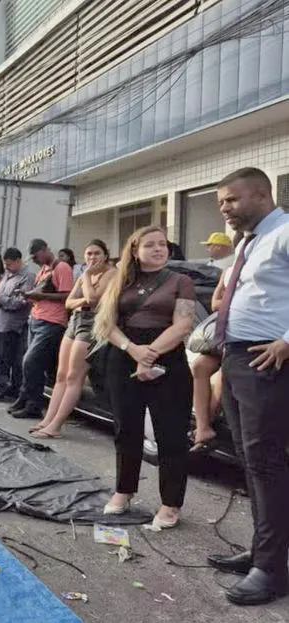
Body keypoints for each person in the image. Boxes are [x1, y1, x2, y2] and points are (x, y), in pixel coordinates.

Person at [207, 167, 289, 606]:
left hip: (267, 360)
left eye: (231, 200)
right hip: (237, 357)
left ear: (261, 194)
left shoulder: (285, 232)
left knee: (266, 462)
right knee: (249, 459)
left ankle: (272, 571)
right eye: (221, 202)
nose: (224, 208)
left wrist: (287, 341)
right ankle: (263, 551)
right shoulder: (249, 242)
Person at [93, 225, 195, 530]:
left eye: (162, 244)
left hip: (168, 358)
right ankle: (124, 491)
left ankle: (170, 503)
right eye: (150, 245)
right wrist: (132, 350)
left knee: (171, 433)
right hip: (123, 355)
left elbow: (183, 324)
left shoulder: (181, 281)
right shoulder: (120, 279)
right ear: (135, 250)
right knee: (127, 429)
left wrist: (149, 353)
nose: (158, 249)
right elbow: (106, 323)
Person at [30, 240, 115, 439]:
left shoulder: (110, 274)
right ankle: (47, 420)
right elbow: (69, 302)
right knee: (61, 374)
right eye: (89, 254)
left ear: (105, 255)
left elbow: (94, 299)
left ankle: (56, 426)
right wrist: (84, 299)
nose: (92, 258)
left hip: (92, 325)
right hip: (75, 322)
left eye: (96, 253)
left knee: (74, 377)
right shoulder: (87, 275)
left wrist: (85, 279)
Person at [8, 239, 73, 419]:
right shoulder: (44, 269)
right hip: (36, 318)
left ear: (45, 250)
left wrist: (39, 295)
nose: (35, 260)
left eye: (36, 256)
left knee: (31, 361)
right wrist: (28, 296)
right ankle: (25, 397)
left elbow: (67, 295)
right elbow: (41, 294)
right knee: (28, 363)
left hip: (52, 322)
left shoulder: (62, 268)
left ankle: (34, 405)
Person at [0, 248, 32, 401]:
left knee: (5, 359)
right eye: (5, 264)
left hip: (11, 325)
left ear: (18, 261)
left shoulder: (27, 277)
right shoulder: (7, 275)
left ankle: (1, 387)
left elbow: (18, 303)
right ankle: (1, 384)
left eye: (9, 264)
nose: (7, 267)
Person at [188, 267, 230, 453]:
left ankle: (203, 429)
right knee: (199, 366)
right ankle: (203, 426)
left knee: (224, 373)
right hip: (227, 332)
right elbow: (215, 303)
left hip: (253, 334)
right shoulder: (230, 270)